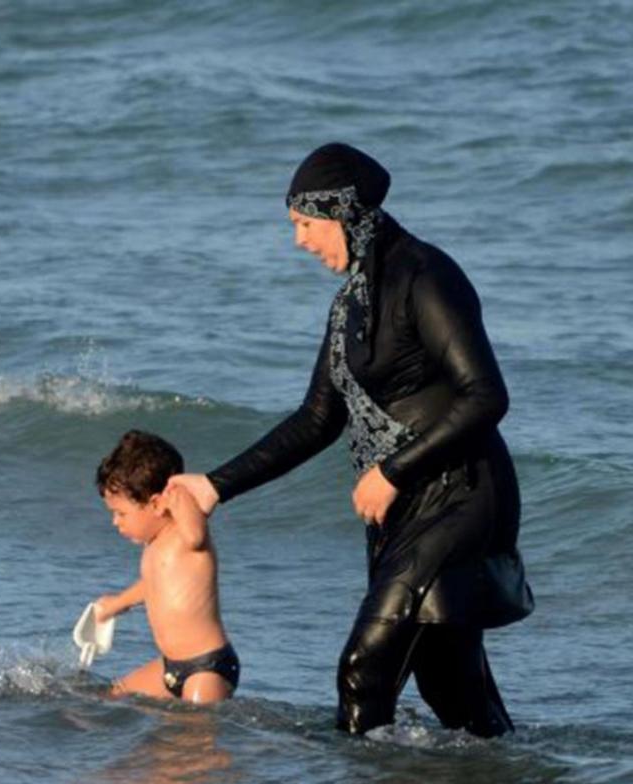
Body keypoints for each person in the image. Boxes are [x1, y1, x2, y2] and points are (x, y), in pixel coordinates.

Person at [169, 143, 533, 736]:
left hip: (461, 496)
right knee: (451, 686)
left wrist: (390, 471)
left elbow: (486, 396)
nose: (300, 241)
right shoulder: (351, 304)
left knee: (364, 670)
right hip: (404, 509)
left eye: (305, 224)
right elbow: (317, 418)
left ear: (343, 213)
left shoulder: (426, 276)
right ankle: (509, 779)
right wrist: (214, 486)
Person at [93, 430, 239, 705]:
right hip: (169, 667)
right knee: (112, 697)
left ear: (157, 503)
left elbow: (196, 536)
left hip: (206, 668)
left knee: (195, 727)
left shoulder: (186, 532)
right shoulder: (155, 546)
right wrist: (116, 604)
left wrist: (181, 497)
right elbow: (154, 586)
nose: (115, 522)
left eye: (121, 513)